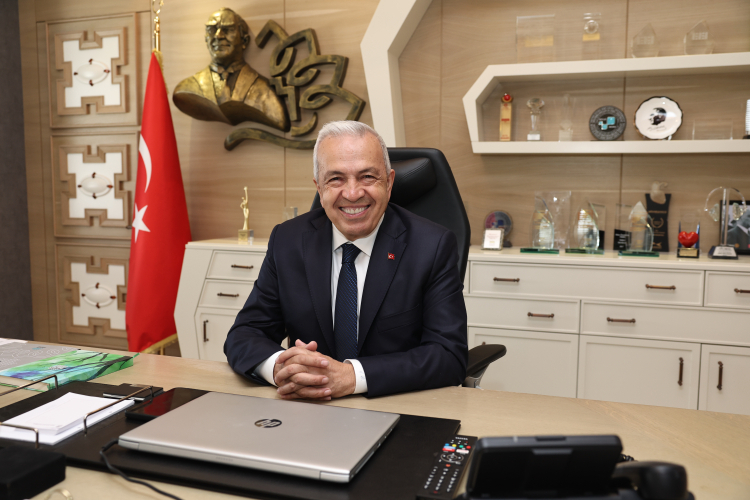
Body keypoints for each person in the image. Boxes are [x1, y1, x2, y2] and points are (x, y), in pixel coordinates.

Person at [224, 121, 467, 399]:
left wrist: (353, 377)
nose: (352, 194)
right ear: (319, 187)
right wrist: (280, 367)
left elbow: (448, 355)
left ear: (389, 183)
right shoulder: (288, 240)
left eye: (367, 177)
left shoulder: (432, 246)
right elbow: (245, 333)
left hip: (396, 405)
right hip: (307, 409)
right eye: (336, 179)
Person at [173, 8, 289, 131]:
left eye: (228, 30)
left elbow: (280, 119)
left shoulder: (264, 91)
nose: (218, 36)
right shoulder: (187, 88)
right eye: (212, 30)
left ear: (244, 41)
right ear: (206, 39)